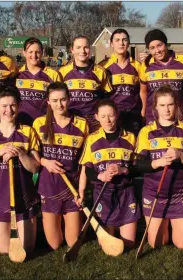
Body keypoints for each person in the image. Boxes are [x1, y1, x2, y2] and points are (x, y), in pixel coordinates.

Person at [0, 85, 40, 254]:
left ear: (18, 106)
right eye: (4, 106)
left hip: (25, 198)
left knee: (27, 248)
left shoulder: (28, 132)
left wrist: (20, 153)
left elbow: (35, 168)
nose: (8, 110)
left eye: (12, 105)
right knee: (5, 250)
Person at [134, 85, 183, 249]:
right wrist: (158, 162)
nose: (167, 109)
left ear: (176, 105)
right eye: (162, 105)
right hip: (155, 193)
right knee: (157, 243)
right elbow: (137, 164)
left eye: (170, 104)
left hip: (181, 193)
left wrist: (180, 155)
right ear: (155, 107)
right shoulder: (146, 132)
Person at [32, 82, 89, 250]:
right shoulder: (39, 123)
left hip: (71, 186)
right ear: (48, 102)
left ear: (69, 99)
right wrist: (44, 162)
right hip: (49, 186)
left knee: (73, 243)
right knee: (55, 244)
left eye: (63, 99)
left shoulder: (81, 124)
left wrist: (81, 190)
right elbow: (33, 153)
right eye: (55, 100)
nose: (59, 104)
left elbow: (85, 161)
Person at [79, 99, 141, 248]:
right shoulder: (92, 139)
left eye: (111, 115)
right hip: (103, 194)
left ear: (117, 114)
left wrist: (123, 170)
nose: (107, 120)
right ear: (96, 117)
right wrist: (101, 176)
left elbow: (137, 168)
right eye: (103, 116)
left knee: (129, 245)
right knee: (108, 247)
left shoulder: (130, 137)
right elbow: (88, 169)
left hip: (126, 193)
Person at [139, 29, 183, 124]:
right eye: (152, 48)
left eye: (159, 45)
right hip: (154, 118)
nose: (157, 51)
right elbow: (143, 91)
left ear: (166, 44)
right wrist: (143, 112)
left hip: (180, 117)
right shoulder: (146, 65)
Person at [59, 36, 112, 132]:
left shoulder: (101, 72)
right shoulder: (62, 72)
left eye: (86, 47)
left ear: (90, 49)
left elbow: (107, 99)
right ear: (72, 50)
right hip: (71, 123)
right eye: (78, 47)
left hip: (93, 124)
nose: (82, 51)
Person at [99, 28, 143, 135]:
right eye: (117, 40)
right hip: (112, 116)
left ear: (128, 43)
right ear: (111, 43)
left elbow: (143, 91)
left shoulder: (138, 66)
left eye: (124, 40)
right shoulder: (103, 66)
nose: (121, 43)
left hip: (133, 115)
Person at [15, 37, 63, 126]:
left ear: (42, 53)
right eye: (30, 52)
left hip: (44, 125)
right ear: (24, 53)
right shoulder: (17, 74)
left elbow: (60, 101)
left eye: (37, 52)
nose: (34, 55)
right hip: (21, 126)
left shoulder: (52, 75)